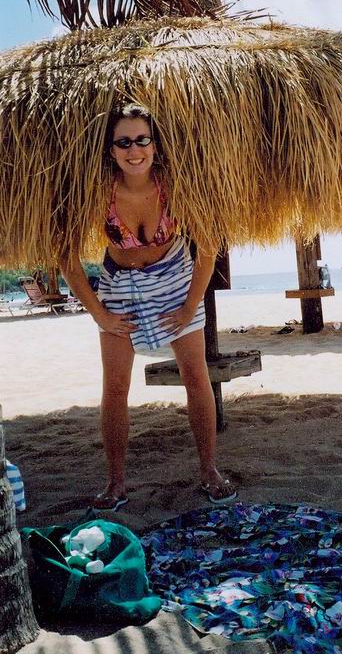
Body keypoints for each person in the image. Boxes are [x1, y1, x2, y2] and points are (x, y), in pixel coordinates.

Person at [60, 103, 237, 510]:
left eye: (142, 140)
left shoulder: (175, 187)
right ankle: (115, 482)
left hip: (175, 279)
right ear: (111, 151)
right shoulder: (97, 194)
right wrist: (99, 313)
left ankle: (209, 470)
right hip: (119, 286)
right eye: (124, 142)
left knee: (196, 377)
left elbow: (208, 247)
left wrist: (189, 305)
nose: (134, 150)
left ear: (155, 146)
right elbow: (66, 258)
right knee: (115, 387)